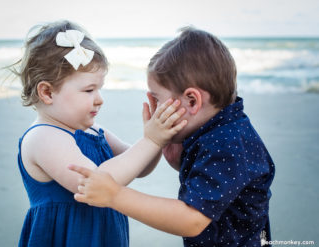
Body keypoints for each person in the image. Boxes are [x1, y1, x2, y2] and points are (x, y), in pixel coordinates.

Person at [69, 27, 275, 247]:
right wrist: (179, 159)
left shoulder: (228, 143)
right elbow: (216, 181)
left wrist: (116, 196)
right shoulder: (219, 129)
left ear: (192, 101)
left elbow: (191, 219)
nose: (154, 108)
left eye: (157, 99)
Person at [11, 20, 188, 247]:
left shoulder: (94, 131)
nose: (99, 98)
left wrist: (157, 140)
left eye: (100, 87)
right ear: (47, 92)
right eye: (89, 90)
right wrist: (150, 140)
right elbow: (94, 182)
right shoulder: (43, 138)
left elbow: (139, 166)